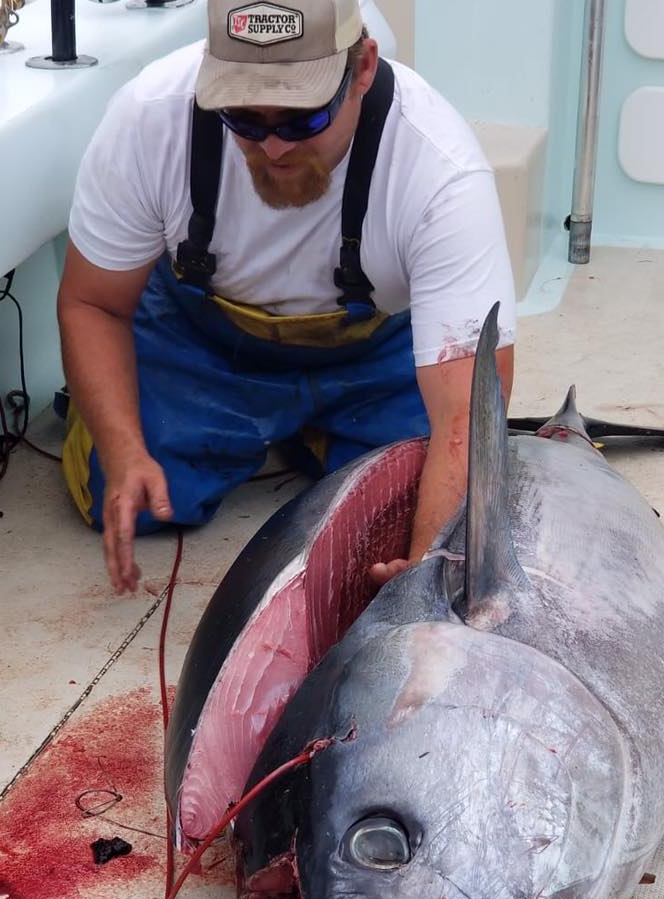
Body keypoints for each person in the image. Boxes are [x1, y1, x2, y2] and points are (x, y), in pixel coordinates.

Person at [58, 0, 516, 594]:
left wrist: (425, 571)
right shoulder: (149, 118)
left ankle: (307, 433)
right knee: (132, 501)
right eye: (243, 118)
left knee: (410, 521)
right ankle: (295, 435)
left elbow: (468, 409)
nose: (273, 147)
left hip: (374, 357)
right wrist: (124, 454)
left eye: (302, 119)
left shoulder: (440, 171)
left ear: (364, 69)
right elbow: (94, 303)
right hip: (200, 346)